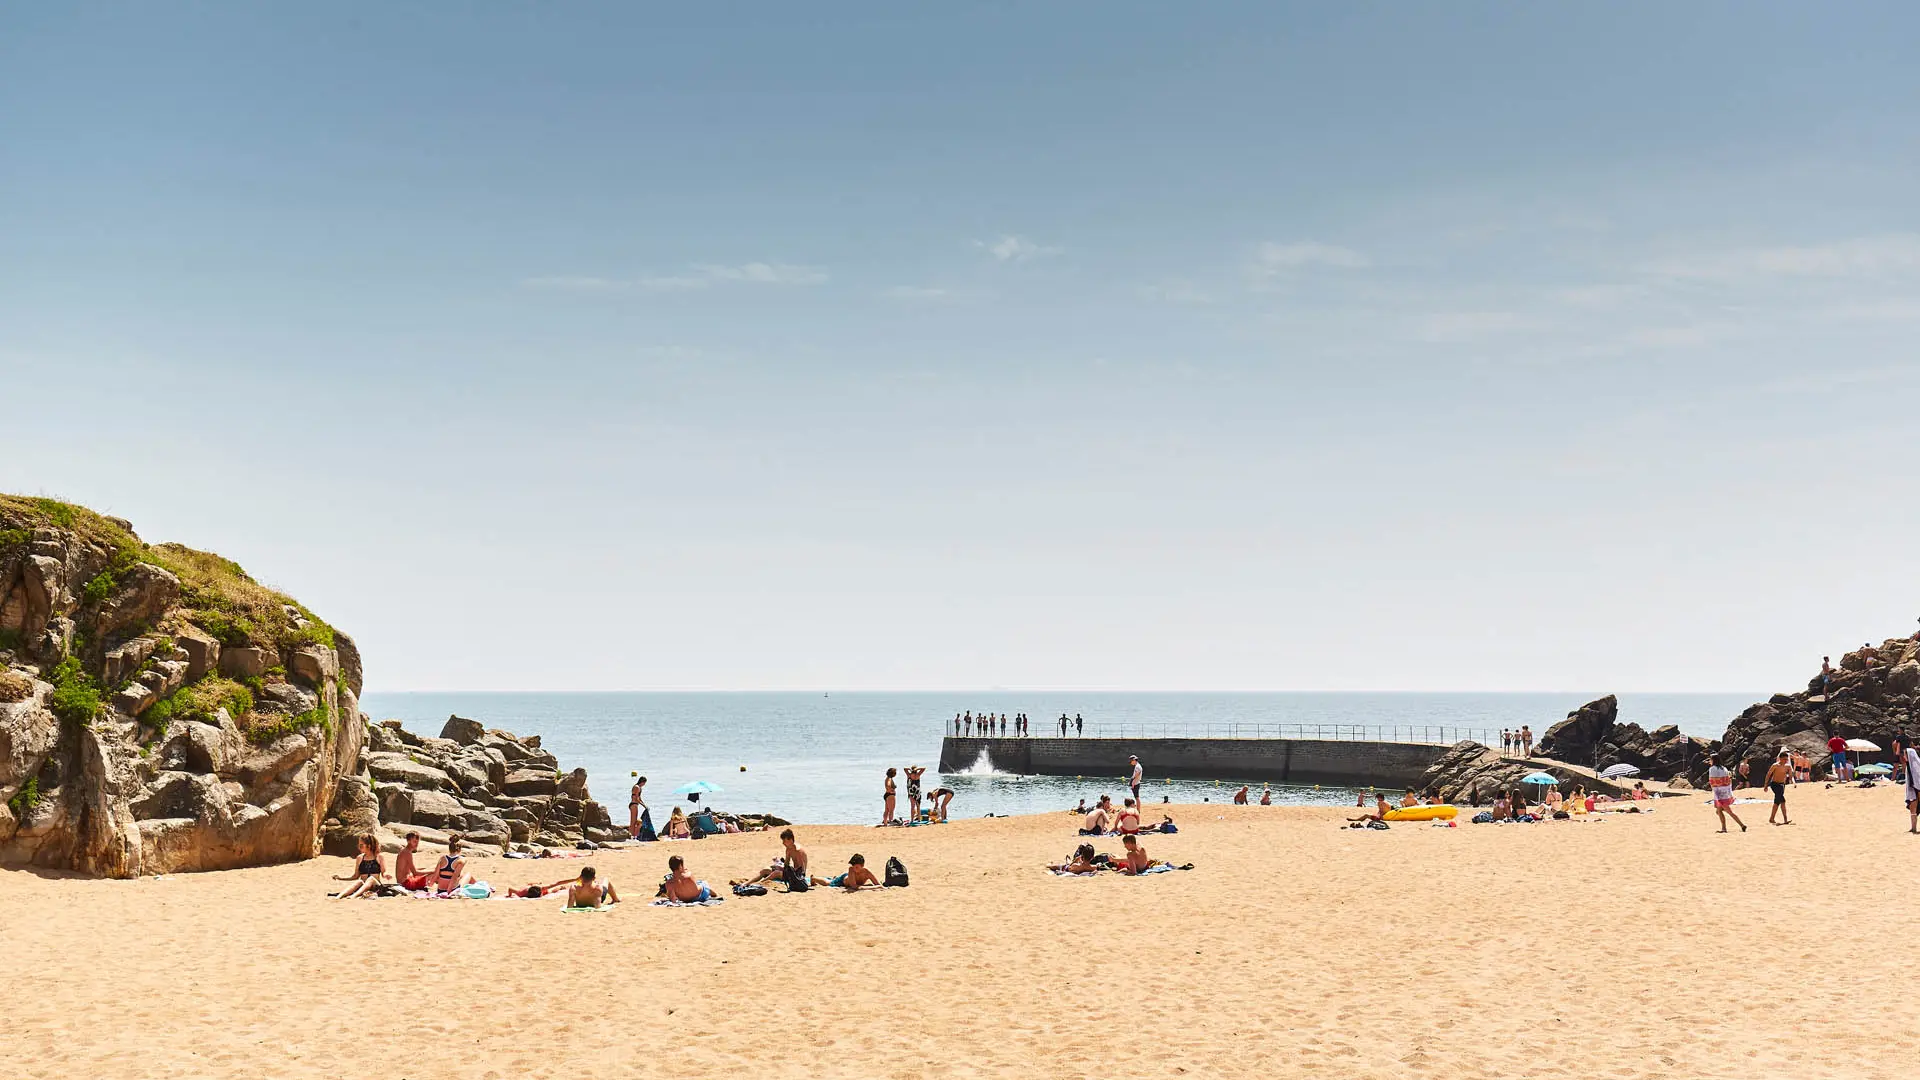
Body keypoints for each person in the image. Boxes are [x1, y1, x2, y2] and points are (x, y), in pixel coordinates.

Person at [736, 829, 811, 890]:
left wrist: (784, 870)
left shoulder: (798, 851)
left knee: (776, 873)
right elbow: (786, 864)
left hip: (797, 876)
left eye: (784, 841)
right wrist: (781, 867)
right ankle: (747, 883)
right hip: (791, 872)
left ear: (790, 840)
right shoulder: (788, 849)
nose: (783, 843)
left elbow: (801, 870)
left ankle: (757, 884)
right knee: (765, 870)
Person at [331, 834, 385, 899]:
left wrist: (386, 875)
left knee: (371, 879)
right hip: (363, 886)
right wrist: (340, 878)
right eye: (359, 845)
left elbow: (384, 873)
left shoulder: (379, 857)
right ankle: (339, 896)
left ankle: (354, 896)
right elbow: (355, 876)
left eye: (361, 845)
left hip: (376, 886)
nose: (359, 847)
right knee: (359, 881)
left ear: (369, 846)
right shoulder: (360, 858)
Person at [1705, 759, 1742, 833]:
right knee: (1719, 811)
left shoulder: (1712, 769)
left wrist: (1714, 788)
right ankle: (1729, 827)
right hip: (1725, 792)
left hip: (1719, 793)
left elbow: (1711, 780)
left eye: (1711, 760)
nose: (1709, 761)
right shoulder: (1723, 768)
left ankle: (1737, 826)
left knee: (1727, 811)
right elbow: (1728, 780)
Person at [812, 853, 883, 891]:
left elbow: (877, 884)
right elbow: (854, 887)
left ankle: (835, 878)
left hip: (848, 879)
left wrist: (878, 886)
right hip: (842, 881)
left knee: (830, 880)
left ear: (863, 865)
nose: (855, 869)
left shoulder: (867, 872)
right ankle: (813, 878)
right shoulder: (851, 870)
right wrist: (874, 888)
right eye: (854, 867)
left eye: (857, 867)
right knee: (828, 883)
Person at [1766, 750, 1793, 825]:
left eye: (1786, 759)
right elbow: (1768, 774)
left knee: (1777, 801)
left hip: (1782, 785)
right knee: (1782, 801)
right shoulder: (1775, 765)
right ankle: (1785, 819)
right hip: (1774, 784)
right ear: (1780, 758)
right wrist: (1765, 785)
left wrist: (1791, 780)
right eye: (1784, 759)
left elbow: (1790, 775)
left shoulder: (1788, 766)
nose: (1786, 761)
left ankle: (1772, 818)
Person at [1905, 743, 1920, 833]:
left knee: (1914, 805)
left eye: (1905, 754)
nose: (1904, 756)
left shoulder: (1917, 765)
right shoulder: (1908, 766)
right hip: (1912, 789)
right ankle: (1913, 828)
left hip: (1917, 788)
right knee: (1912, 807)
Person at [629, 775, 648, 839]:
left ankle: (633, 835)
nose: (644, 784)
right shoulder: (636, 787)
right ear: (642, 782)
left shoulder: (640, 788)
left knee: (635, 822)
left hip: (636, 805)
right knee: (633, 822)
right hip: (633, 804)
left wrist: (645, 805)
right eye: (644, 783)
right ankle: (631, 836)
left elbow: (640, 798)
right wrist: (643, 805)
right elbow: (636, 798)